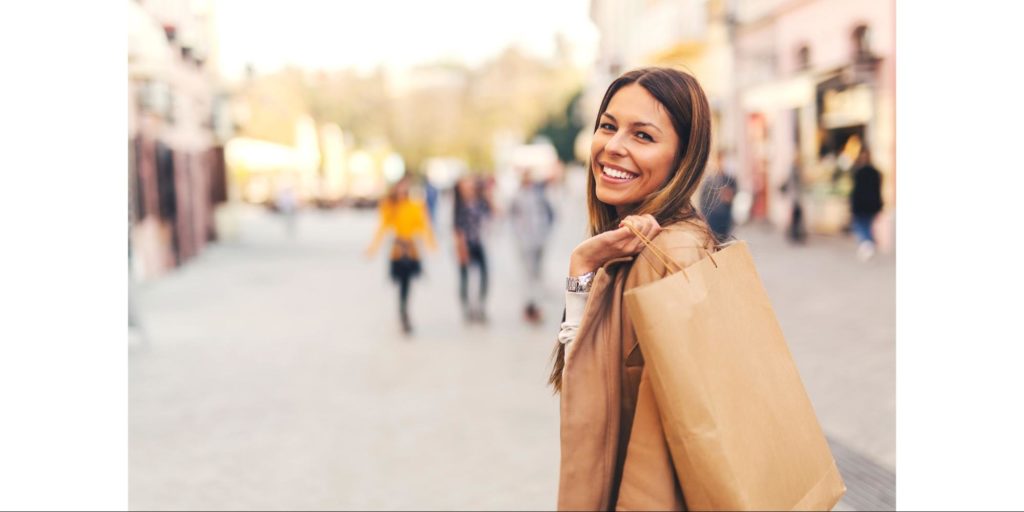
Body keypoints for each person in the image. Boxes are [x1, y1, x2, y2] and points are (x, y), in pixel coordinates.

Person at [548, 67, 721, 511]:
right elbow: (588, 377)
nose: (613, 146)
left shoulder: (673, 255)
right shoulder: (627, 251)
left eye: (642, 136)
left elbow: (661, 446)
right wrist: (582, 266)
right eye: (608, 125)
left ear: (683, 158)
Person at [365, 177, 436, 335]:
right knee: (401, 283)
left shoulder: (416, 206)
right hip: (397, 250)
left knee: (407, 283)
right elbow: (382, 228)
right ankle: (402, 313)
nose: (402, 193)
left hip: (411, 250)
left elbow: (424, 226)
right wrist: (372, 248)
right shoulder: (389, 206)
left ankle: (404, 313)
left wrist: (431, 244)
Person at [508, 167, 556, 324]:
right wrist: (518, 234)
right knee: (528, 274)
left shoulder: (539, 195)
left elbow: (551, 213)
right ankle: (530, 305)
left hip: (539, 238)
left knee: (538, 273)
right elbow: (512, 216)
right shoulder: (517, 196)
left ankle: (536, 305)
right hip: (525, 240)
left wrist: (545, 231)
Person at [453, 176, 493, 323]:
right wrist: (460, 248)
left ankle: (480, 306)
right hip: (464, 244)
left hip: (478, 242)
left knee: (484, 276)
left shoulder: (480, 202)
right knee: (465, 278)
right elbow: (456, 228)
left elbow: (494, 213)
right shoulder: (459, 205)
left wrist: (488, 194)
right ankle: (467, 308)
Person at [849, 147, 883, 260]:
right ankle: (868, 244)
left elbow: (855, 191)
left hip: (861, 205)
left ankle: (867, 244)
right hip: (870, 205)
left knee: (861, 225)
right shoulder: (875, 172)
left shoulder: (858, 172)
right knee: (866, 225)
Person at [698, 149, 738, 242]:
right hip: (713, 217)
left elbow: (735, 192)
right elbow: (703, 199)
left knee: (725, 242)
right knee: (714, 241)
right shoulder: (709, 180)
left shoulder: (730, 178)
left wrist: (730, 196)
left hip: (725, 216)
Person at [780, 154, 807, 244]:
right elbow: (793, 185)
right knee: (795, 217)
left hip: (795, 198)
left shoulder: (794, 170)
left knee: (796, 217)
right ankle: (794, 235)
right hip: (795, 198)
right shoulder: (795, 170)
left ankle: (795, 234)